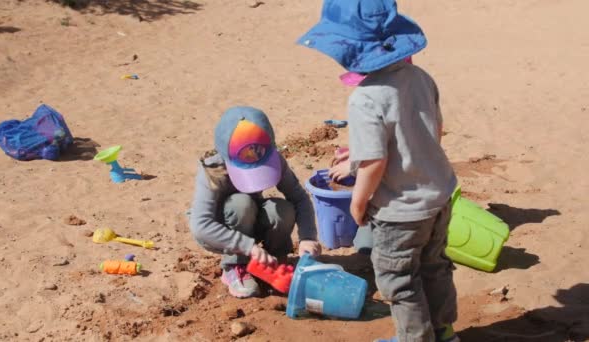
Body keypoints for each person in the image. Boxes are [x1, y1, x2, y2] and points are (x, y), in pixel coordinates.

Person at [298, 1, 459, 341]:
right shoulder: (420, 78)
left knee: (399, 281)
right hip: (439, 197)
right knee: (435, 268)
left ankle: (415, 338)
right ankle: (444, 332)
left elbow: (375, 162)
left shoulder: (366, 99)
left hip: (399, 213)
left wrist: (358, 203)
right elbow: (432, 131)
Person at [189, 106, 321, 298]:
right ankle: (235, 265)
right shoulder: (212, 171)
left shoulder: (274, 159)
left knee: (281, 209)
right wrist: (247, 247)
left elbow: (299, 198)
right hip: (224, 232)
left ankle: (274, 263)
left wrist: (308, 237)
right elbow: (200, 226)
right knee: (240, 204)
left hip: (252, 219)